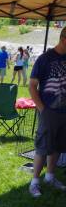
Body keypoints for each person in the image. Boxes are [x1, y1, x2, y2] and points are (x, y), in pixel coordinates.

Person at [28, 26, 66, 197]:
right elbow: (32, 85)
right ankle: (34, 182)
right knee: (43, 147)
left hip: (64, 111)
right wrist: (42, 109)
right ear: (64, 40)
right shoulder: (45, 59)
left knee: (58, 144)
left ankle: (50, 177)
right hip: (48, 110)